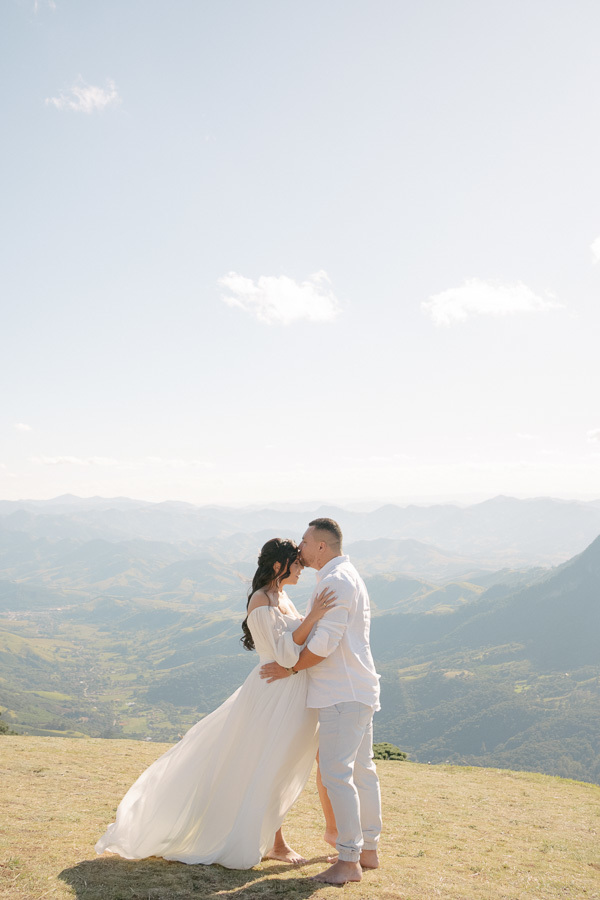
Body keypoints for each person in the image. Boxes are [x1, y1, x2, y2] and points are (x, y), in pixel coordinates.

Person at [95, 538, 335, 869]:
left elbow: (292, 645)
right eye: (296, 563)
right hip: (272, 695)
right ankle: (275, 844)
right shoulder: (261, 601)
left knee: (277, 766)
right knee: (268, 765)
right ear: (279, 566)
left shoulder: (282, 597)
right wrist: (315, 616)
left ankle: (273, 840)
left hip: (290, 692)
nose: (301, 569)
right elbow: (283, 653)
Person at [260, 517, 382, 885]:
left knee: (336, 774)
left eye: (304, 541)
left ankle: (348, 861)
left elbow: (324, 645)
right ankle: (368, 850)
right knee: (361, 771)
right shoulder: (346, 576)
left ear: (321, 547)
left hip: (340, 693)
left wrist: (291, 669)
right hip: (357, 689)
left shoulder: (334, 581)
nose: (300, 547)